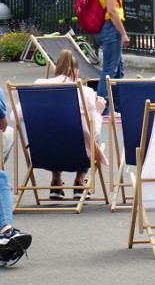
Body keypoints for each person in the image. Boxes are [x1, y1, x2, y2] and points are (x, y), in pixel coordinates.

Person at [32, 50, 108, 199]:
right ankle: (79, 182)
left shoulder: (38, 86)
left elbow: (16, 117)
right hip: (77, 154)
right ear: (76, 72)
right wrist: (98, 112)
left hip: (44, 153)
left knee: (53, 130)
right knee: (89, 137)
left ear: (55, 70)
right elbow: (95, 133)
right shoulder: (86, 92)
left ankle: (56, 181)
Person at [92, 0, 129, 115]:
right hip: (111, 28)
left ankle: (118, 106)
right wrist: (123, 33)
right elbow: (112, 10)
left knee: (118, 68)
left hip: (99, 27)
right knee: (109, 70)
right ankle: (104, 108)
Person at [0, 90, 33, 268]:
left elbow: (18, 112)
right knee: (0, 176)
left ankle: (6, 235)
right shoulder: (86, 94)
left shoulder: (37, 87)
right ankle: (6, 231)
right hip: (74, 152)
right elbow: (3, 123)